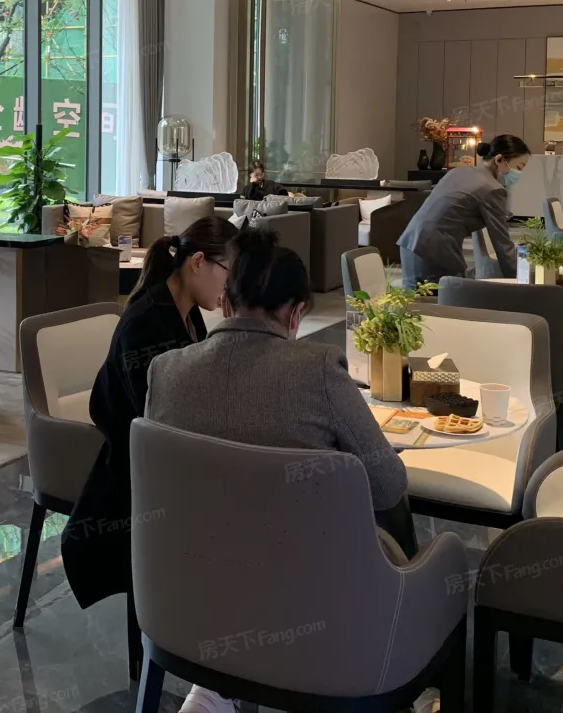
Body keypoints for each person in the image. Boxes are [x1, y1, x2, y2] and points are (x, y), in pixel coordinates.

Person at [144, 225, 418, 713]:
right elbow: (388, 486)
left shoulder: (165, 372)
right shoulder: (319, 372)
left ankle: (219, 685)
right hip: (306, 600)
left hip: (188, 593)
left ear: (225, 302)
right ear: (295, 314)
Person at [62, 215, 238, 617]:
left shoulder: (185, 311)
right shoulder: (146, 324)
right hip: (136, 471)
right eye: (229, 273)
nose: (230, 287)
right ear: (198, 263)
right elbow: (161, 418)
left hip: (165, 456)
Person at [397, 133, 531, 286]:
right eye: (518, 167)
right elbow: (502, 243)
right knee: (448, 298)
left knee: (414, 297)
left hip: (410, 243)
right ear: (499, 159)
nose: (518, 174)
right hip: (436, 251)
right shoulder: (492, 189)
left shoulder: (459, 172)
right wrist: (521, 282)